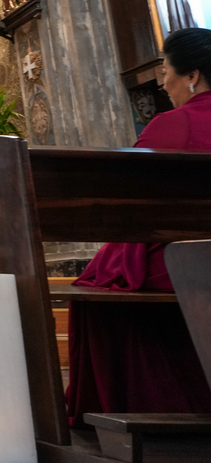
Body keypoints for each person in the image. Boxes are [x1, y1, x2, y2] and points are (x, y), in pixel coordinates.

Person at [66, 27, 211, 425]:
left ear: (192, 75)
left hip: (189, 260)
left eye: (165, 71)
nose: (163, 83)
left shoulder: (172, 125)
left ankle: (155, 409)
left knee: (96, 289)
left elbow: (124, 205)